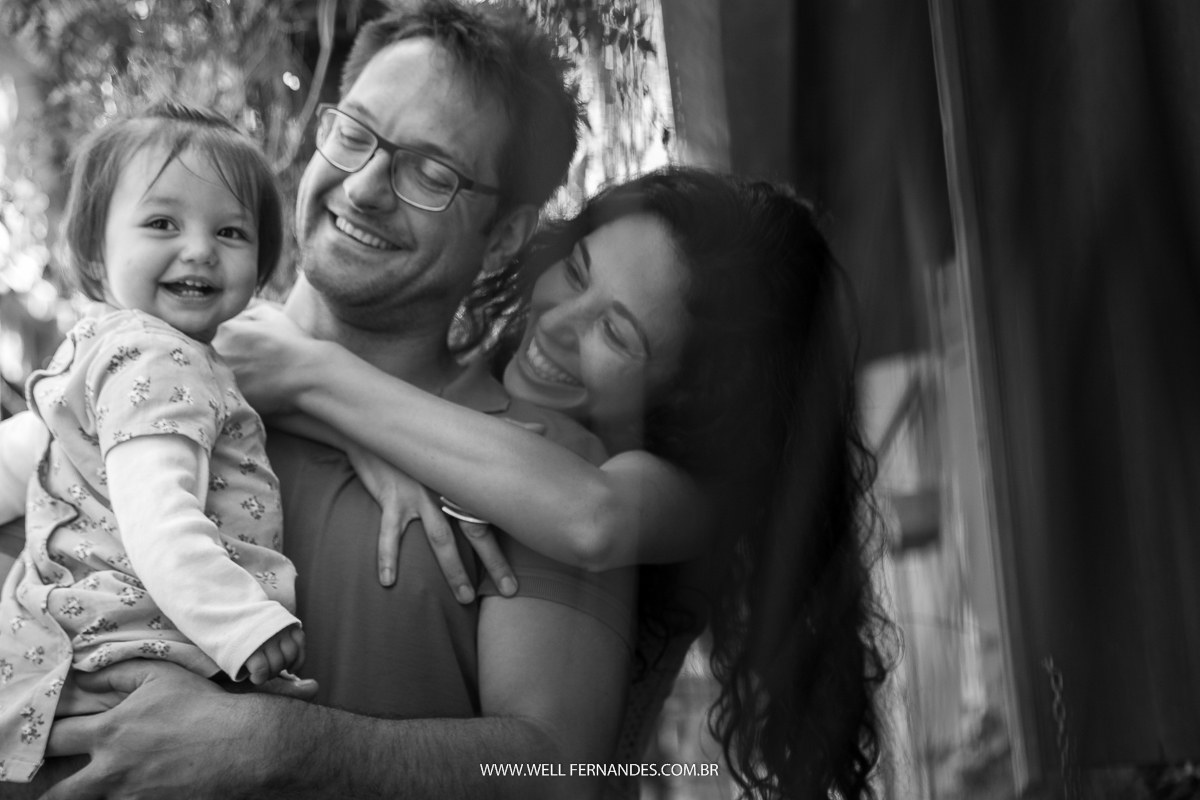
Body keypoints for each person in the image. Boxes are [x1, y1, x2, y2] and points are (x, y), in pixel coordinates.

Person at [10, 2, 639, 798]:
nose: (367, 186)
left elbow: (556, 770)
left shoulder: (533, 464)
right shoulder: (150, 363)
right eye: (356, 133)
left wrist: (277, 744)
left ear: (507, 237)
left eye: (431, 173)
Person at [220, 166, 894, 799]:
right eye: (576, 273)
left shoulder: (687, 496)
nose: (562, 325)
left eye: (618, 333)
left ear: (691, 396)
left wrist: (313, 374)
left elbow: (589, 517)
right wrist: (362, 440)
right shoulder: (473, 377)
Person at [0, 101, 306, 783]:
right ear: (93, 249)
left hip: (62, 649)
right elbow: (158, 521)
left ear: (259, 268)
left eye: (230, 231)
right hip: (137, 649)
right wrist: (244, 626)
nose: (199, 248)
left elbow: (23, 456)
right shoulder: (162, 363)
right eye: (163, 222)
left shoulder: (105, 348)